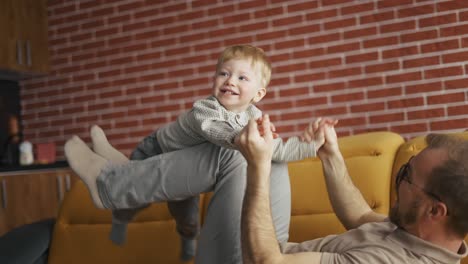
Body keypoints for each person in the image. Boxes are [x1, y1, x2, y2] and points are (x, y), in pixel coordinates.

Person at [65, 44, 336, 262]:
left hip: (190, 173)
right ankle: (112, 179)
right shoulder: (205, 109)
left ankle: (186, 242)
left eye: (242, 77)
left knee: (187, 218)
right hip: (158, 148)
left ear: (258, 94)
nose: (230, 81)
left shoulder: (254, 117)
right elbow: (215, 132)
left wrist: (311, 145)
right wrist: (245, 139)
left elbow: (278, 149)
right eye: (223, 73)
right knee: (134, 188)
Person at [237, 114, 468, 264]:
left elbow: (264, 262)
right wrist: (330, 155)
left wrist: (257, 166)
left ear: (435, 211)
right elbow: (359, 216)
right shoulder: (413, 229)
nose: (400, 179)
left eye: (407, 175)